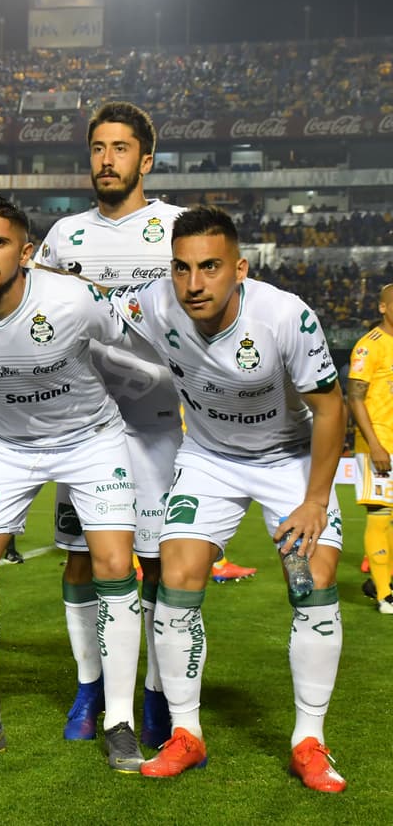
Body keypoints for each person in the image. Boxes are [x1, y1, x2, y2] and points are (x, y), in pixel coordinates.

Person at [34, 101, 253, 748]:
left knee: (158, 562)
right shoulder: (65, 238)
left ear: (146, 159)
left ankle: (157, 691)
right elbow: (29, 303)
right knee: (81, 562)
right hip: (85, 425)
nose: (107, 159)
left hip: (163, 426)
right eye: (98, 147)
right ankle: (91, 688)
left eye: (120, 148)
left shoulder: (175, 230)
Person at [112, 207, 347, 792]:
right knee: (177, 576)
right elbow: (89, 298)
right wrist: (27, 265)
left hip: (287, 463)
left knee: (310, 583)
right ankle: (186, 734)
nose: (194, 284)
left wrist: (315, 501)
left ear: (239, 268)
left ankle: (309, 740)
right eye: (183, 268)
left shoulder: (285, 316)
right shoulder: (155, 302)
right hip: (210, 460)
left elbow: (331, 408)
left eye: (211, 268)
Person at [0, 195, 144, 772]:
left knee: (114, 565)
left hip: (91, 441)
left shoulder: (71, 298)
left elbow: (127, 335)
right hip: (6, 447)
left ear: (26, 252)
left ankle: (120, 721)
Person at [347, 284, 393, 613]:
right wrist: (375, 446)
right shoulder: (369, 347)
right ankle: (384, 596)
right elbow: (355, 397)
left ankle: (380, 581)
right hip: (379, 443)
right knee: (380, 516)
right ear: (382, 307)